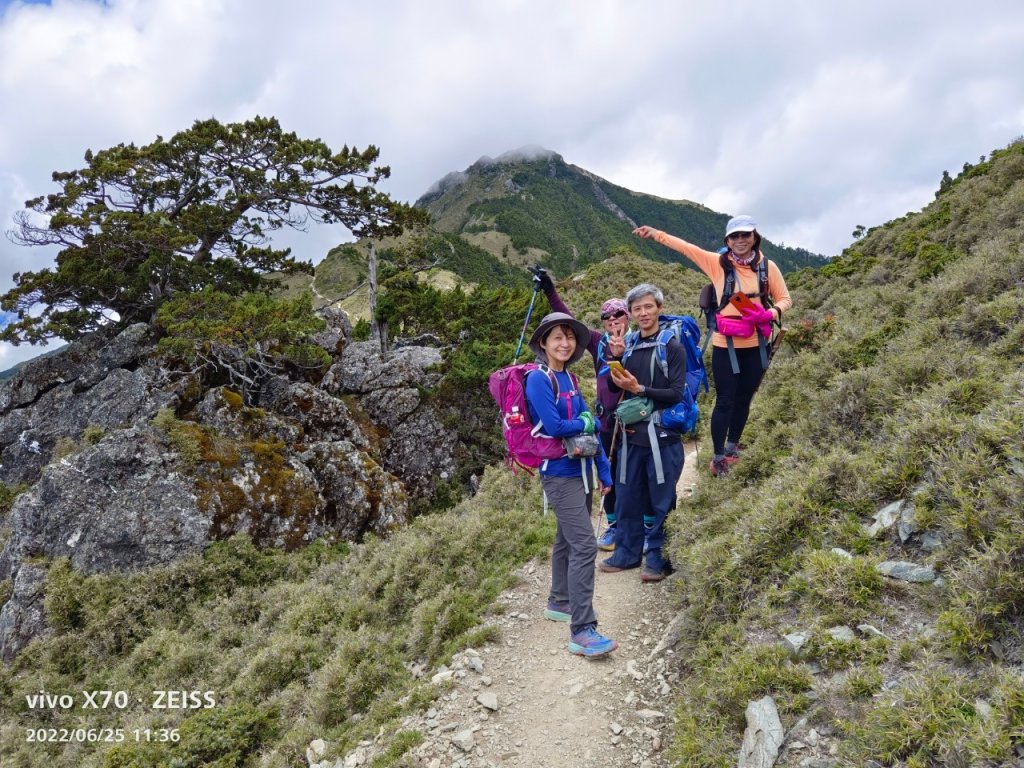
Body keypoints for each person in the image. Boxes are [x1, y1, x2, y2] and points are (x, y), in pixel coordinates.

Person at [633, 216, 792, 477]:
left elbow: (785, 298)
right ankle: (718, 457)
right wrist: (654, 233)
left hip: (757, 343)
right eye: (734, 236)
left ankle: (732, 447)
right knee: (725, 400)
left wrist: (770, 313)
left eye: (746, 235)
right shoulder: (717, 264)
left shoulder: (767, 267)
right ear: (727, 241)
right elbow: (686, 248)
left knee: (744, 398)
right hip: (725, 345)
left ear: (755, 237)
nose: (740, 240)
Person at [525, 311, 618, 657]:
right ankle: (582, 629)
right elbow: (554, 427)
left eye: (569, 337)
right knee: (584, 545)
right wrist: (585, 420)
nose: (564, 343)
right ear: (544, 343)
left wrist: (604, 472)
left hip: (582, 470)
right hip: (559, 474)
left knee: (566, 537)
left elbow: (590, 431)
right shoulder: (539, 380)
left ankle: (560, 600)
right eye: (557, 337)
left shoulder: (571, 379)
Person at [532, 268, 630, 551]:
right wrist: (550, 290)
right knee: (610, 468)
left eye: (619, 314)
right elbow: (569, 323)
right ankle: (614, 525)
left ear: (628, 317)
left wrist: (624, 354)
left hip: (635, 421)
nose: (613, 319)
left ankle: (640, 527)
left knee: (633, 474)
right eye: (607, 316)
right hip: (606, 420)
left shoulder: (639, 342)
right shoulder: (599, 343)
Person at [598, 284, 686, 583]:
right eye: (637, 309)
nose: (644, 313)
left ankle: (659, 558)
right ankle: (627, 553)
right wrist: (617, 361)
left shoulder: (672, 347)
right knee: (627, 497)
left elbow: (675, 393)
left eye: (649, 306)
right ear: (631, 314)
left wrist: (640, 389)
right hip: (631, 437)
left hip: (662, 437)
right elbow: (615, 390)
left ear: (659, 308)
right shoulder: (629, 344)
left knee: (661, 500)